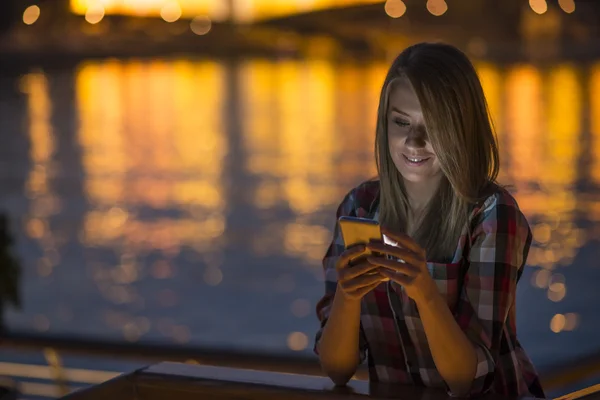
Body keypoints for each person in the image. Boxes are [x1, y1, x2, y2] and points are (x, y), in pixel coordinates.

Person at [313, 42, 545, 398]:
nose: (413, 141)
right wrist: (347, 294)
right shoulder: (359, 207)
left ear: (463, 127)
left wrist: (425, 292)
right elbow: (338, 370)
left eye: (432, 124)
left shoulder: (493, 216)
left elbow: (469, 379)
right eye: (401, 122)